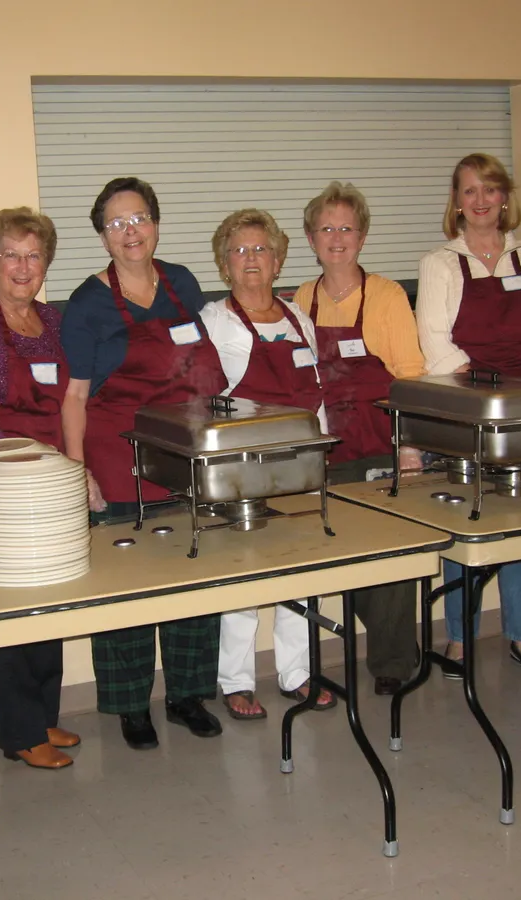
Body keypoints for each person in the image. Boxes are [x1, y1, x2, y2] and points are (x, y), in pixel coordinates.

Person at [60, 177, 227, 750]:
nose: (131, 232)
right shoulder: (87, 303)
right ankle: (132, 705)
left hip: (181, 453)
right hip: (118, 457)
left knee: (189, 571)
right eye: (116, 223)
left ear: (155, 223)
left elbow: (203, 367)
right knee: (127, 585)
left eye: (139, 219)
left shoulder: (181, 283)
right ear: (103, 236)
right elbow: (75, 396)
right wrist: (76, 469)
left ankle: (186, 696)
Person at [416, 153, 521, 677]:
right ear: (456, 203)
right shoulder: (439, 262)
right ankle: (460, 638)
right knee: (468, 522)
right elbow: (436, 345)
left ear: (505, 196)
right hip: (466, 412)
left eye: (489, 189)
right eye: (468, 191)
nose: (479, 200)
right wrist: (486, 398)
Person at [0, 207, 81, 767]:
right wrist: (18, 477)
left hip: (50, 482)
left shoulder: (54, 322)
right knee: (8, 606)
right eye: (11, 254)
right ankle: (19, 732)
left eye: (33, 255)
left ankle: (44, 719)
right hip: (1, 484)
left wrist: (70, 472)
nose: (22, 266)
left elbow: (75, 400)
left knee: (47, 601)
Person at [200, 209, 337, 720]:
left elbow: (316, 392)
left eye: (261, 249)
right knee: (244, 572)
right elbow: (205, 398)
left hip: (299, 463)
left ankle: (296, 673)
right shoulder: (214, 321)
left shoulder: (298, 316)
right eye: (239, 250)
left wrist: (320, 448)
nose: (251, 259)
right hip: (242, 467)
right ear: (224, 263)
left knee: (299, 567)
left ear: (278, 260)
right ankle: (235, 679)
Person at [292, 181, 426, 696]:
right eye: (326, 228)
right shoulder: (301, 300)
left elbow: (410, 375)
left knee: (387, 556)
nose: (337, 237)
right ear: (310, 238)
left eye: (346, 227)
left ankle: (392, 661)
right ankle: (378, 647)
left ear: (363, 236)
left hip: (379, 445)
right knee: (345, 552)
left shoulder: (388, 296)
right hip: (326, 450)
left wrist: (409, 446)